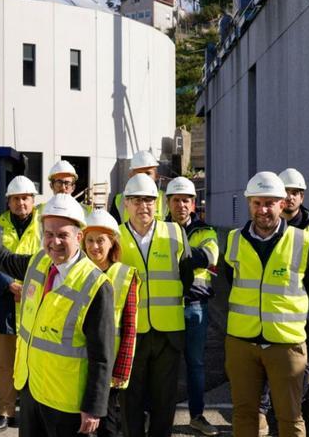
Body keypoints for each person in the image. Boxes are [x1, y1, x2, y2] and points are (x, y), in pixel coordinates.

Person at [0, 194, 116, 437]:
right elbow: (4, 258)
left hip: (66, 401)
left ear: (79, 237)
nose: (54, 242)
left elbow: (102, 355)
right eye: (49, 234)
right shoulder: (40, 261)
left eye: (63, 235)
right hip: (31, 389)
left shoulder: (96, 284)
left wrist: (93, 408)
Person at [223, 172, 309, 437]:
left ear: (283, 204)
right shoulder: (234, 240)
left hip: (285, 345)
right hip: (242, 342)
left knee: (290, 417)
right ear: (249, 204)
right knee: (244, 414)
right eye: (257, 203)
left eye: (270, 203)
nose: (263, 210)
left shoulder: (303, 241)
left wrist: (287, 316)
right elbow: (229, 280)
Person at [117, 174, 209, 437]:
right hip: (131, 333)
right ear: (126, 203)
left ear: (156, 203)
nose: (143, 206)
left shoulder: (175, 233)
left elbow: (187, 275)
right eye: (137, 200)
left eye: (148, 200)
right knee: (130, 401)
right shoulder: (115, 237)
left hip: (168, 333)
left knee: (164, 401)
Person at [0, 175, 41, 432]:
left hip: (36, 301)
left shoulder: (44, 224)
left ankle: (31, 411)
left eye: (25, 198)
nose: (21, 203)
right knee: (5, 361)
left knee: (35, 360)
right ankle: (5, 411)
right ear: (8, 201)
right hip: (4, 301)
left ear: (33, 201)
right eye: (16, 198)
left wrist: (27, 288)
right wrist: (8, 285)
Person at [164, 177, 219, 437]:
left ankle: (197, 416)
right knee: (165, 365)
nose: (181, 205)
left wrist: (176, 254)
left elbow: (208, 257)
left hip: (195, 306)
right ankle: (160, 415)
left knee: (195, 364)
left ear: (193, 204)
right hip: (165, 307)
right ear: (168, 203)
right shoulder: (158, 228)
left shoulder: (205, 231)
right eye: (176, 200)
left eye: (186, 200)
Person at [82, 210, 139, 437]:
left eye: (101, 240)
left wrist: (122, 370)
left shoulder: (125, 275)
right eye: (90, 240)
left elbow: (130, 327)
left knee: (108, 424)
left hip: (109, 365)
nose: (95, 246)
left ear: (112, 243)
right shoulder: (75, 273)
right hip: (76, 362)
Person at [110, 151, 167, 223]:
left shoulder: (167, 200)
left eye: (148, 173)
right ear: (130, 176)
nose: (144, 177)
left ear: (156, 176)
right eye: (139, 173)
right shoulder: (118, 201)